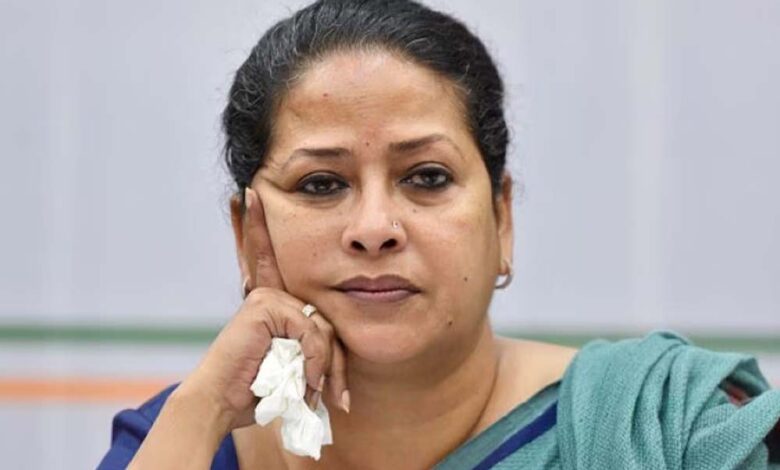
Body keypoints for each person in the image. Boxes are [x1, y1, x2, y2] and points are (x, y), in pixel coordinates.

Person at [98, 0, 780, 468]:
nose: (374, 229)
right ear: (250, 237)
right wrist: (205, 408)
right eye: (321, 184)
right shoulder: (180, 440)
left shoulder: (666, 428)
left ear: (501, 218)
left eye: (426, 177)